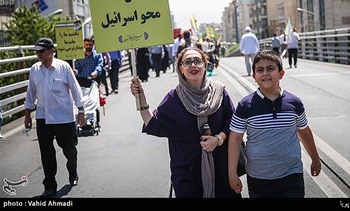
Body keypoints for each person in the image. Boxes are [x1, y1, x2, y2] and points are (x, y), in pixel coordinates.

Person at [130, 47, 240, 198]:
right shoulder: (174, 98)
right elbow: (153, 123)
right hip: (186, 173)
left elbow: (233, 123)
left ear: (205, 65)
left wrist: (218, 139)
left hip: (221, 169)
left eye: (197, 61)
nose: (193, 65)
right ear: (181, 68)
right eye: (187, 62)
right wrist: (140, 95)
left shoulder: (219, 92)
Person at [228, 50, 321, 198]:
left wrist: (315, 159)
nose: (265, 73)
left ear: (281, 74)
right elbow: (235, 138)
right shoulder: (245, 105)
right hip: (258, 178)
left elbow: (304, 132)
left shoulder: (294, 103)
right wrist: (232, 173)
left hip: (291, 175)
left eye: (270, 68)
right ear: (254, 77)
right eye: (260, 70)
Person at [24, 38, 85, 199]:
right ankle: (50, 186)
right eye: (36, 52)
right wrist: (27, 115)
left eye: (41, 51)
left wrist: (81, 111)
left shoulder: (63, 67)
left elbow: (75, 89)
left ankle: (73, 171)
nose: (38, 55)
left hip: (64, 117)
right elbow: (30, 93)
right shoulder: (34, 69)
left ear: (51, 51)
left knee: (69, 149)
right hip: (43, 117)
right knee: (46, 153)